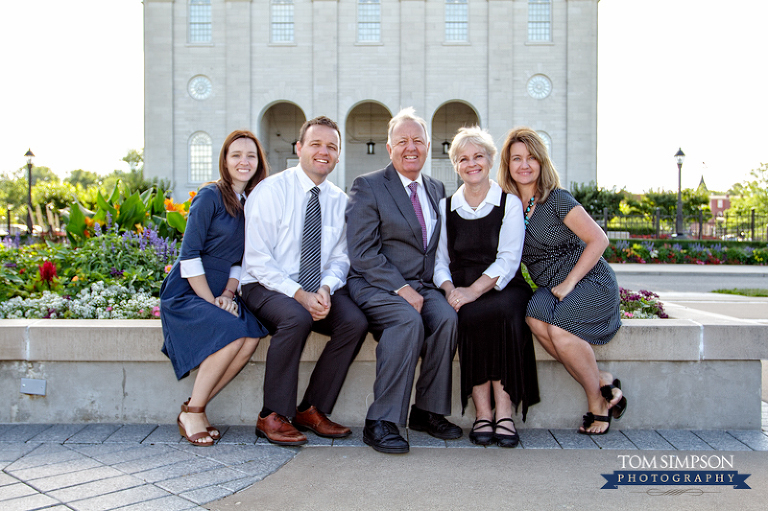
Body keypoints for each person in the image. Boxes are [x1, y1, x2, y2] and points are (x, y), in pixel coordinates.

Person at [240, 116, 368, 446]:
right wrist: (298, 294)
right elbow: (257, 260)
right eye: (316, 144)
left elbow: (341, 257)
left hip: (314, 287)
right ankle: (271, 415)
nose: (323, 152)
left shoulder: (341, 201)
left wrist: (326, 287)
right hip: (263, 284)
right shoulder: (270, 191)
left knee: (354, 320)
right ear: (299, 148)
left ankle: (312, 409)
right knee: (295, 317)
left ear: (338, 155)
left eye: (331, 147)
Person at [346, 107, 461, 454]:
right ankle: (379, 421)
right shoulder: (368, 186)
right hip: (375, 283)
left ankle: (427, 411)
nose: (410, 147)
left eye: (417, 140)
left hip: (423, 285)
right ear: (389, 147)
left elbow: (437, 248)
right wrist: (402, 288)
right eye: (402, 141)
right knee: (407, 320)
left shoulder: (436, 187)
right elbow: (362, 252)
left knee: (446, 318)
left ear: (427, 146)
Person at [498, 127, 626, 435]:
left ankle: (596, 402)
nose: (524, 165)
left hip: (587, 279)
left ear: (542, 162)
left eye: (531, 157)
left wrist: (569, 282)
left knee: (559, 328)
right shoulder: (509, 204)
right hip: (549, 286)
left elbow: (599, 240)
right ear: (507, 164)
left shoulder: (556, 199)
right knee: (534, 318)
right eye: (516, 158)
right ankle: (602, 378)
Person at [160, 130, 269, 446]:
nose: (243, 161)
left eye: (250, 155)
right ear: (224, 160)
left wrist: (227, 294)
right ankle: (192, 411)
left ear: (258, 161)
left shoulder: (251, 202)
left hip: (221, 293)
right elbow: (188, 256)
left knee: (250, 338)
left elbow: (241, 260)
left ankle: (197, 408)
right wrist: (210, 301)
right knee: (231, 334)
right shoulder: (209, 196)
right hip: (188, 292)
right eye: (235, 155)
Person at [433, 127, 540, 448]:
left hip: (504, 285)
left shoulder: (508, 203)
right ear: (455, 165)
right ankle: (483, 412)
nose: (472, 163)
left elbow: (508, 259)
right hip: (462, 284)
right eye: (463, 159)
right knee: (468, 316)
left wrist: (471, 292)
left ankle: (504, 411)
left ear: (491, 160)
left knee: (502, 312)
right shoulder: (445, 207)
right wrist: (451, 288)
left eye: (478, 156)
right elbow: (439, 261)